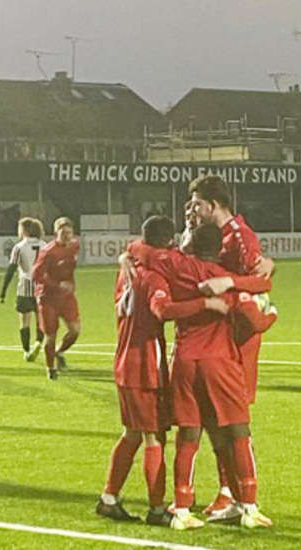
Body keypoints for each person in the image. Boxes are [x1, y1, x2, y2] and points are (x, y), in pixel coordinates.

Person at [98, 216, 229, 527]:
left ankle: (109, 498)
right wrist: (205, 304)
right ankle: (157, 509)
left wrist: (128, 252)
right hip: (144, 364)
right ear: (168, 243)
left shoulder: (128, 267)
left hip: (124, 360)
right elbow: (163, 310)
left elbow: (137, 250)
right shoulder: (155, 276)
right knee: (153, 437)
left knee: (131, 433)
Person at [164, 223, 273, 530]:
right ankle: (249, 506)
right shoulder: (224, 280)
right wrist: (270, 313)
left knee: (188, 435)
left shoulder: (177, 268)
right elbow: (258, 318)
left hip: (184, 361)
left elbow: (143, 252)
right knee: (239, 432)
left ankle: (182, 509)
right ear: (219, 249)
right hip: (219, 362)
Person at [187, 175, 274, 516]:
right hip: (216, 338)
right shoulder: (210, 235)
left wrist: (232, 281)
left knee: (232, 420)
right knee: (212, 418)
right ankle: (228, 492)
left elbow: (260, 282)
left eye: (197, 204)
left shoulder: (239, 235)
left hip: (239, 338)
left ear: (213, 204)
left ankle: (244, 498)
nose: (193, 210)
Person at [32, 217, 81, 380]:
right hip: (48, 297)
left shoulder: (74, 246)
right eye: (63, 232)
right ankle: (50, 368)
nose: (67, 236)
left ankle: (59, 352)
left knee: (75, 330)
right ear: (56, 233)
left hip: (66, 297)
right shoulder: (48, 252)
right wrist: (57, 284)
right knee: (50, 335)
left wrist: (70, 284)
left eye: (69, 232)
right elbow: (35, 275)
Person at [0, 218, 47, 362]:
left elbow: (11, 269)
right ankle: (38, 342)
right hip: (41, 287)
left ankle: (26, 351)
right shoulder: (44, 245)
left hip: (25, 288)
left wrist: (3, 292)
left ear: (24, 230)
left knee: (24, 321)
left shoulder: (19, 247)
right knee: (41, 320)